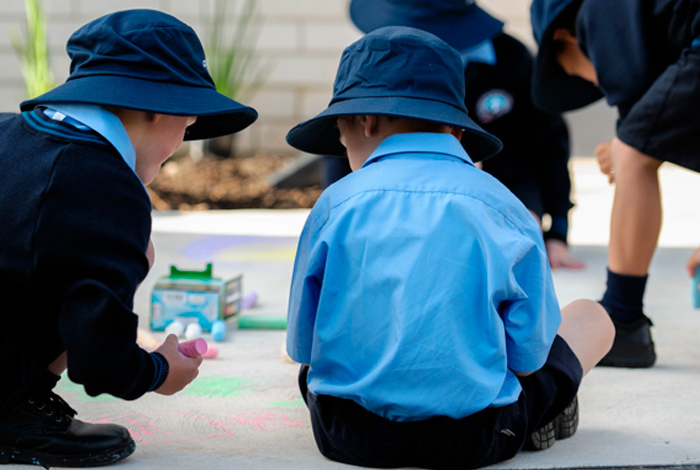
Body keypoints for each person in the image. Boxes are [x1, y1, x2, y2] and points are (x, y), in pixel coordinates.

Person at [0, 9, 256, 467]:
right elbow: (97, 352)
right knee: (131, 252)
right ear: (160, 109)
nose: (184, 138)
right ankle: (9, 415)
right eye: (187, 124)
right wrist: (158, 371)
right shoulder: (106, 191)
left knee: (38, 252)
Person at [285, 26, 615, 469]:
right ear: (458, 133)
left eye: (341, 140)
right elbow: (529, 356)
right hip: (480, 437)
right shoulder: (504, 206)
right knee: (594, 318)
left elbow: (301, 349)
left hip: (347, 434)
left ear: (364, 121)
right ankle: (549, 410)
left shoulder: (335, 205)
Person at [347, 0, 584, 270]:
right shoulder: (383, 58)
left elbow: (548, 144)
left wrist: (558, 231)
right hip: (405, 186)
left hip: (505, 186)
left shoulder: (511, 59)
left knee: (514, 243)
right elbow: (346, 135)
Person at [530, 0, 700, 368]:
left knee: (632, 155)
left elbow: (636, 123)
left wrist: (626, 143)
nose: (593, 81)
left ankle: (622, 320)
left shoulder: (598, 11)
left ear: (564, 34)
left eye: (569, 70)